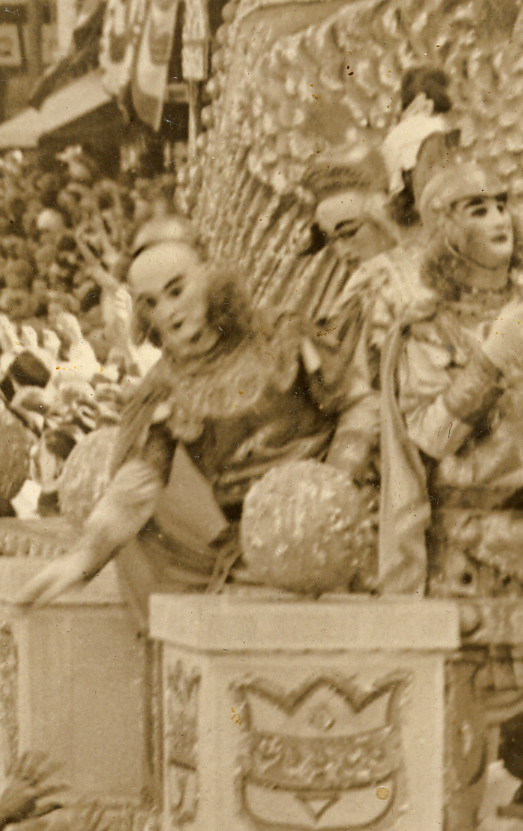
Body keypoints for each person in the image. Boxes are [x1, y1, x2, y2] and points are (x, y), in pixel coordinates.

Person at [18, 217, 364, 609]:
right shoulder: (162, 388)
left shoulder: (282, 332)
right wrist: (84, 558)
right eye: (150, 302)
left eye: (176, 291)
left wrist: (335, 480)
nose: (168, 312)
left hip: (347, 532)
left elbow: (358, 402)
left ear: (210, 279)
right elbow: (137, 485)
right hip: (258, 555)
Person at [377, 133, 523, 599]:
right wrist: (489, 361)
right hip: (469, 557)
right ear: (447, 230)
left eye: (502, 207)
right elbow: (432, 438)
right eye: (479, 210)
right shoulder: (427, 328)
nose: (499, 219)